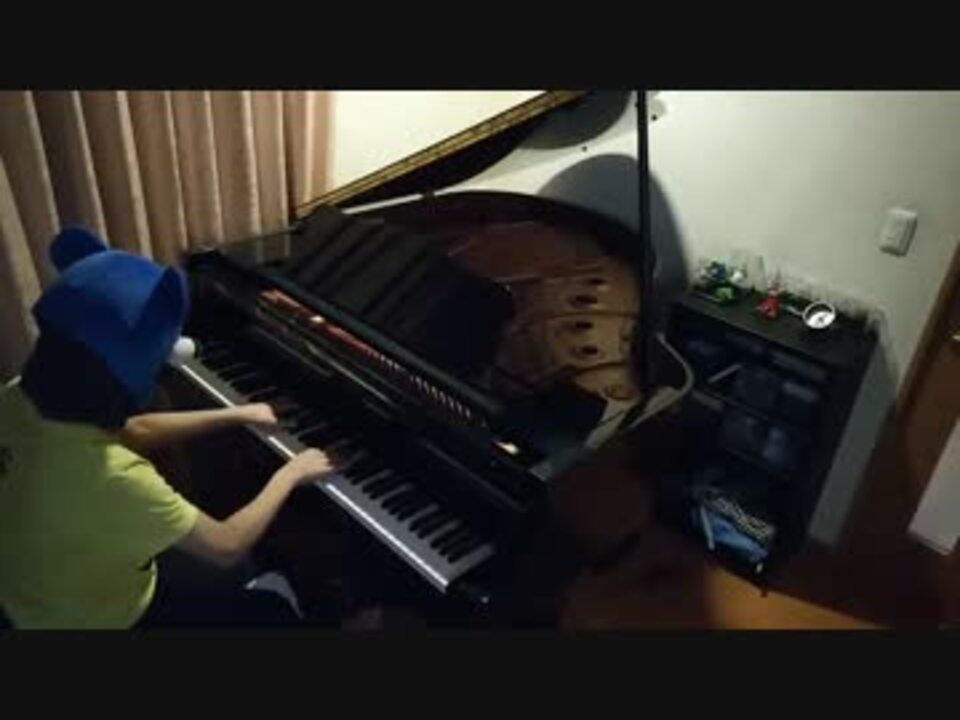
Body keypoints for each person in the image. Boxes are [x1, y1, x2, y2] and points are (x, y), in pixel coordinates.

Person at [0, 227, 333, 629]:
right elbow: (226, 544)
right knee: (272, 611)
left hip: (29, 589)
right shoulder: (110, 476)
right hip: (97, 617)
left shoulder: (17, 397)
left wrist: (237, 414)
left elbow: (134, 430)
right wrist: (292, 473)